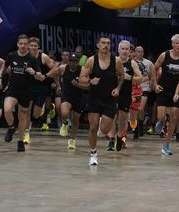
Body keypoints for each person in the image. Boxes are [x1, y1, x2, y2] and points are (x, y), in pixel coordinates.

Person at [79, 37, 124, 166]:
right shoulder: (91, 60)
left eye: (108, 43)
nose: (106, 45)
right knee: (92, 127)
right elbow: (82, 78)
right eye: (103, 43)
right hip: (94, 98)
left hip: (109, 98)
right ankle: (93, 154)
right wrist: (89, 81)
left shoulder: (117, 61)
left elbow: (121, 76)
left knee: (104, 130)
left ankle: (101, 126)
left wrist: (118, 87)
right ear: (98, 45)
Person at [0, 34, 42, 152]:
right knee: (7, 109)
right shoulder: (11, 55)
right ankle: (11, 127)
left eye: (25, 44)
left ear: (28, 46)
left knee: (23, 116)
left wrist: (34, 72)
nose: (23, 46)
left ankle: (20, 141)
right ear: (17, 44)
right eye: (21, 43)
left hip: (26, 91)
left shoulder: (32, 59)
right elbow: (4, 66)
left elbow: (40, 77)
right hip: (13, 89)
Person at [154, 34, 179, 155]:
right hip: (163, 89)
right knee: (160, 116)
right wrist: (154, 85)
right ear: (172, 44)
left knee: (174, 118)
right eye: (176, 43)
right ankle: (162, 121)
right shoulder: (165, 55)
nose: (178, 45)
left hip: (178, 91)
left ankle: (167, 145)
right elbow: (154, 68)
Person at [46, 53, 88, 150]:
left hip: (79, 97)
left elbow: (88, 86)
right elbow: (53, 73)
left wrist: (78, 85)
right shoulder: (63, 68)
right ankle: (64, 123)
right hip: (67, 95)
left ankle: (72, 139)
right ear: (68, 61)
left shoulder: (82, 70)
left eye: (75, 62)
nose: (73, 63)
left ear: (78, 62)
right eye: (71, 61)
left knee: (75, 120)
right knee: (64, 112)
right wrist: (46, 77)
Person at [107, 40, 142, 151]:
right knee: (112, 116)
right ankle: (111, 139)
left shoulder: (132, 63)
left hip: (126, 93)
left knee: (122, 118)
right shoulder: (113, 61)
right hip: (113, 92)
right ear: (118, 50)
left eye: (127, 49)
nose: (125, 51)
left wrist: (130, 78)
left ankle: (120, 136)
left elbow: (140, 78)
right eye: (123, 49)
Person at [25, 37, 55, 143]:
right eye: (31, 45)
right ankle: (26, 134)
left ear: (38, 47)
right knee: (27, 111)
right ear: (28, 46)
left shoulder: (43, 57)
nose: (33, 48)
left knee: (36, 115)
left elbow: (54, 68)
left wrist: (45, 76)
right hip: (27, 87)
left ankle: (44, 108)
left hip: (40, 87)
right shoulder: (25, 56)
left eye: (35, 46)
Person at [134, 46, 156, 139]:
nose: (140, 53)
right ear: (135, 52)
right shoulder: (132, 62)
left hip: (145, 88)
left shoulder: (149, 63)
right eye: (138, 51)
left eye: (142, 51)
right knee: (134, 110)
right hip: (134, 88)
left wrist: (152, 84)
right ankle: (136, 129)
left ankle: (140, 125)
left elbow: (152, 76)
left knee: (140, 109)